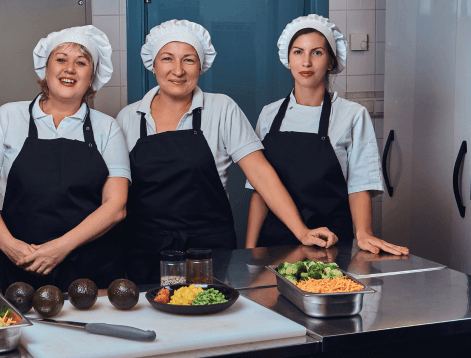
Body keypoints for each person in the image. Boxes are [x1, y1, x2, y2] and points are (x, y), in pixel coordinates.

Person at [116, 19, 337, 285]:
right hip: (146, 251)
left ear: (201, 67)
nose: (177, 70)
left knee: (212, 319)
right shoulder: (128, 118)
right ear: (153, 64)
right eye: (167, 59)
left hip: (209, 252)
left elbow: (260, 173)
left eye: (188, 60)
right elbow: (117, 197)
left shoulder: (221, 109)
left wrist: (301, 231)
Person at [0, 26, 131, 292]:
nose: (70, 69)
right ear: (46, 70)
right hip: (25, 264)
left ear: (91, 77)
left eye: (81, 63)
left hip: (92, 272)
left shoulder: (107, 128)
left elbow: (116, 206)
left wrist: (59, 248)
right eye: (61, 60)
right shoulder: (8, 117)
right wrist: (10, 245)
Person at [245, 15, 408, 256]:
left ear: (331, 62)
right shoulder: (269, 114)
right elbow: (260, 187)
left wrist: (363, 232)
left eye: (317, 53)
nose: (306, 62)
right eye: (298, 52)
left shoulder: (352, 115)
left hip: (330, 244)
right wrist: (249, 248)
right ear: (288, 60)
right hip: (274, 244)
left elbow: (360, 183)